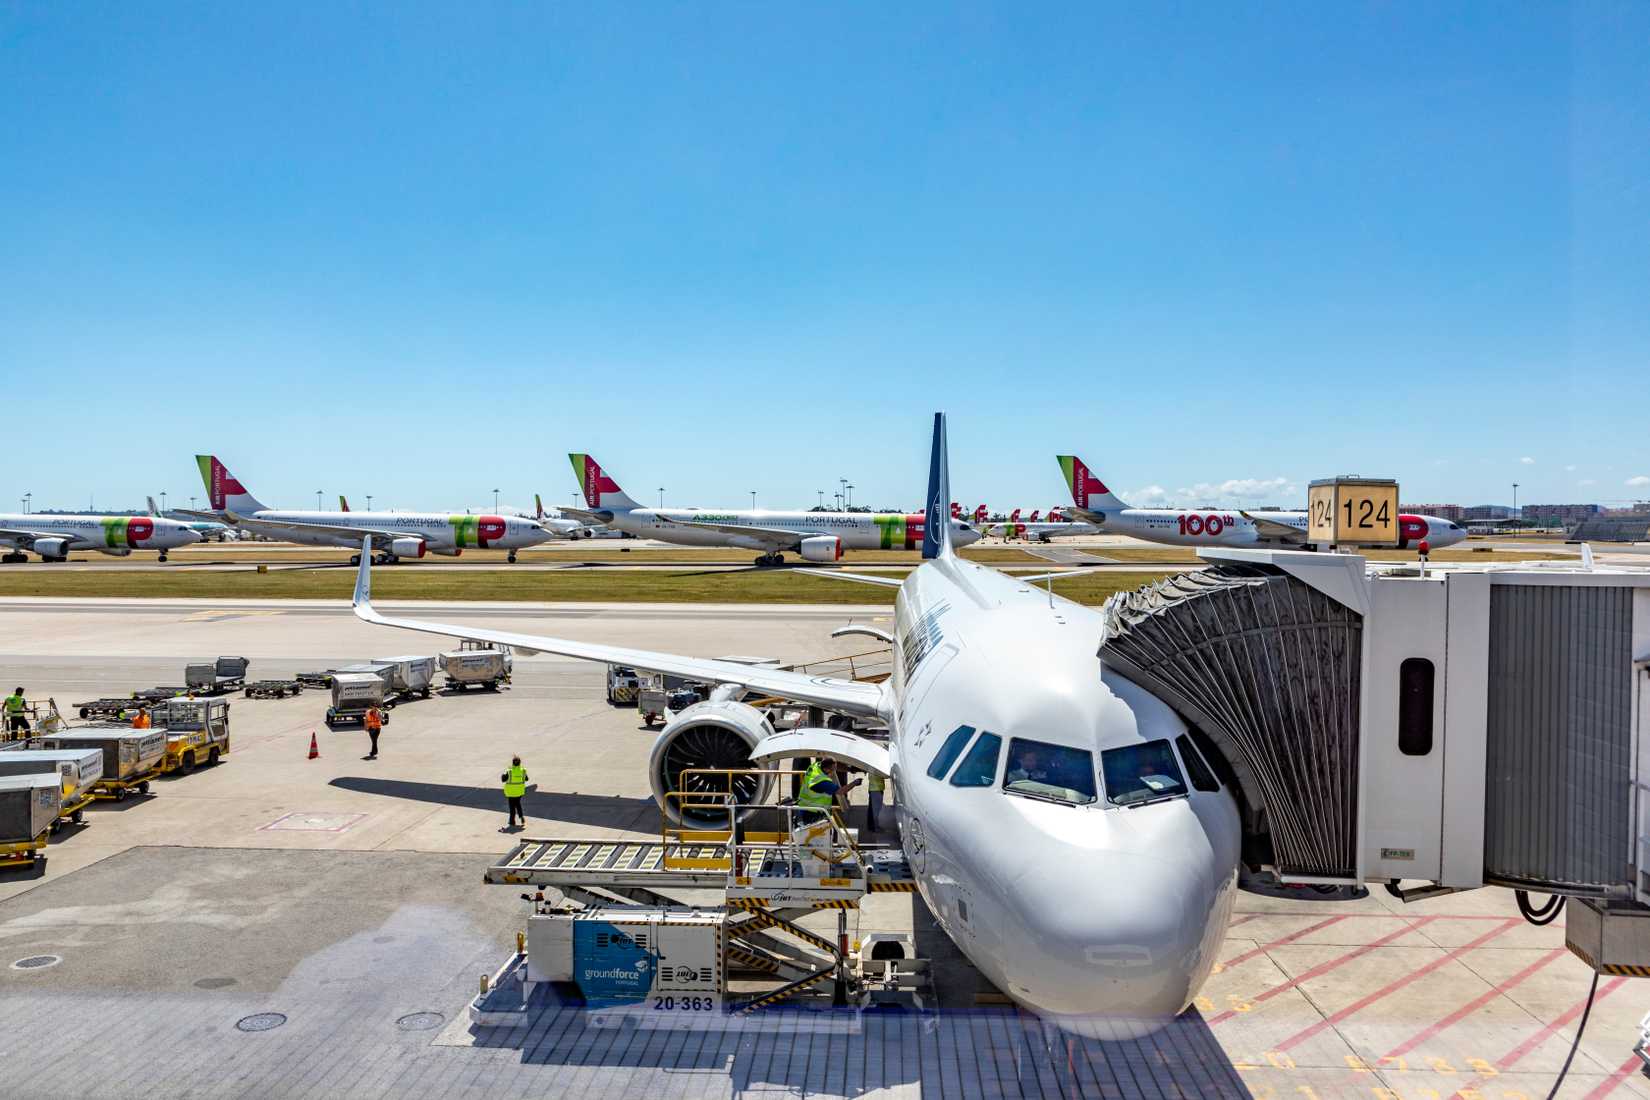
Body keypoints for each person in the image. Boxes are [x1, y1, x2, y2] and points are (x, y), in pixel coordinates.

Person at [501, 755, 528, 829]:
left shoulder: (509, 771)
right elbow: (526, 779)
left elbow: (503, 779)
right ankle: (521, 816)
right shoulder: (523, 770)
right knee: (518, 804)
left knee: (512, 807)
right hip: (519, 791)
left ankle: (512, 821)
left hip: (511, 792)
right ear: (520, 763)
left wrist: (504, 773)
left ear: (513, 763)